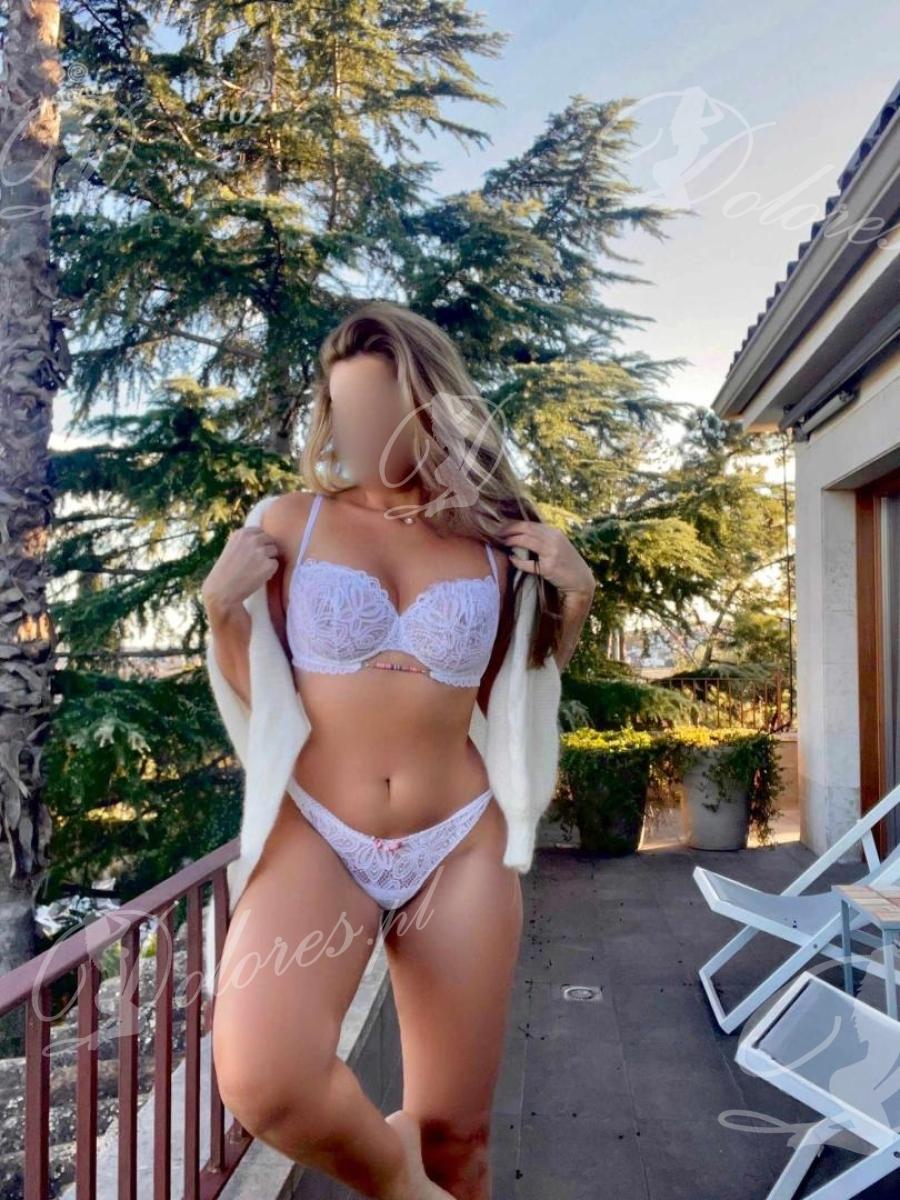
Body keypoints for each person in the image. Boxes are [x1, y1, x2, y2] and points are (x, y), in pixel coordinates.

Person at [201, 300, 596, 1200]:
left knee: (458, 1138)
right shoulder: (290, 521)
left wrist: (573, 600)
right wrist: (221, 612)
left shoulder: (493, 541)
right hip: (320, 831)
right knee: (268, 1080)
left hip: (458, 840)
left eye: (383, 409)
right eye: (344, 411)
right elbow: (265, 698)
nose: (362, 431)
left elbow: (514, 694)